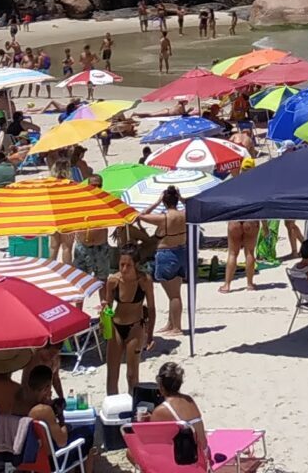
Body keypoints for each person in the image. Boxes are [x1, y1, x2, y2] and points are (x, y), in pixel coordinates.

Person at [102, 249, 153, 397]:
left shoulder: (144, 281)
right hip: (116, 326)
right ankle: (112, 404)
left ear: (136, 265)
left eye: (128, 265)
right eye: (121, 264)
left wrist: (150, 335)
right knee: (112, 374)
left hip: (135, 327)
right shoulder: (113, 281)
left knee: (132, 375)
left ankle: (133, 405)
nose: (124, 269)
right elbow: (109, 307)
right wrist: (104, 313)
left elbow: (152, 308)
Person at [140, 185, 189, 335]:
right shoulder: (185, 214)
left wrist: (157, 202)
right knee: (174, 292)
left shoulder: (163, 218)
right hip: (181, 252)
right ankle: (171, 324)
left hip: (167, 254)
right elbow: (192, 206)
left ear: (165, 202)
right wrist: (181, 199)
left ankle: (177, 327)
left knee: (174, 295)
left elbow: (141, 215)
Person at [144, 360, 209, 469]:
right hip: (204, 457)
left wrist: (145, 422)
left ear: (160, 384)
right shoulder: (189, 400)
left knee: (131, 453)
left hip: (187, 462)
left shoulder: (161, 410)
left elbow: (151, 443)